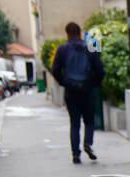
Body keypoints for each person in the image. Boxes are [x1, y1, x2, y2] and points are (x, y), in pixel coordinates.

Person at [51, 22, 104, 164]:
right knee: (89, 121)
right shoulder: (90, 48)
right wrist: (93, 83)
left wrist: (64, 82)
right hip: (87, 90)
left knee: (74, 123)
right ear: (80, 33)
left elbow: (55, 69)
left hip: (71, 91)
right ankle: (88, 143)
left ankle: (75, 154)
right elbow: (100, 70)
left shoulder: (62, 49)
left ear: (67, 33)